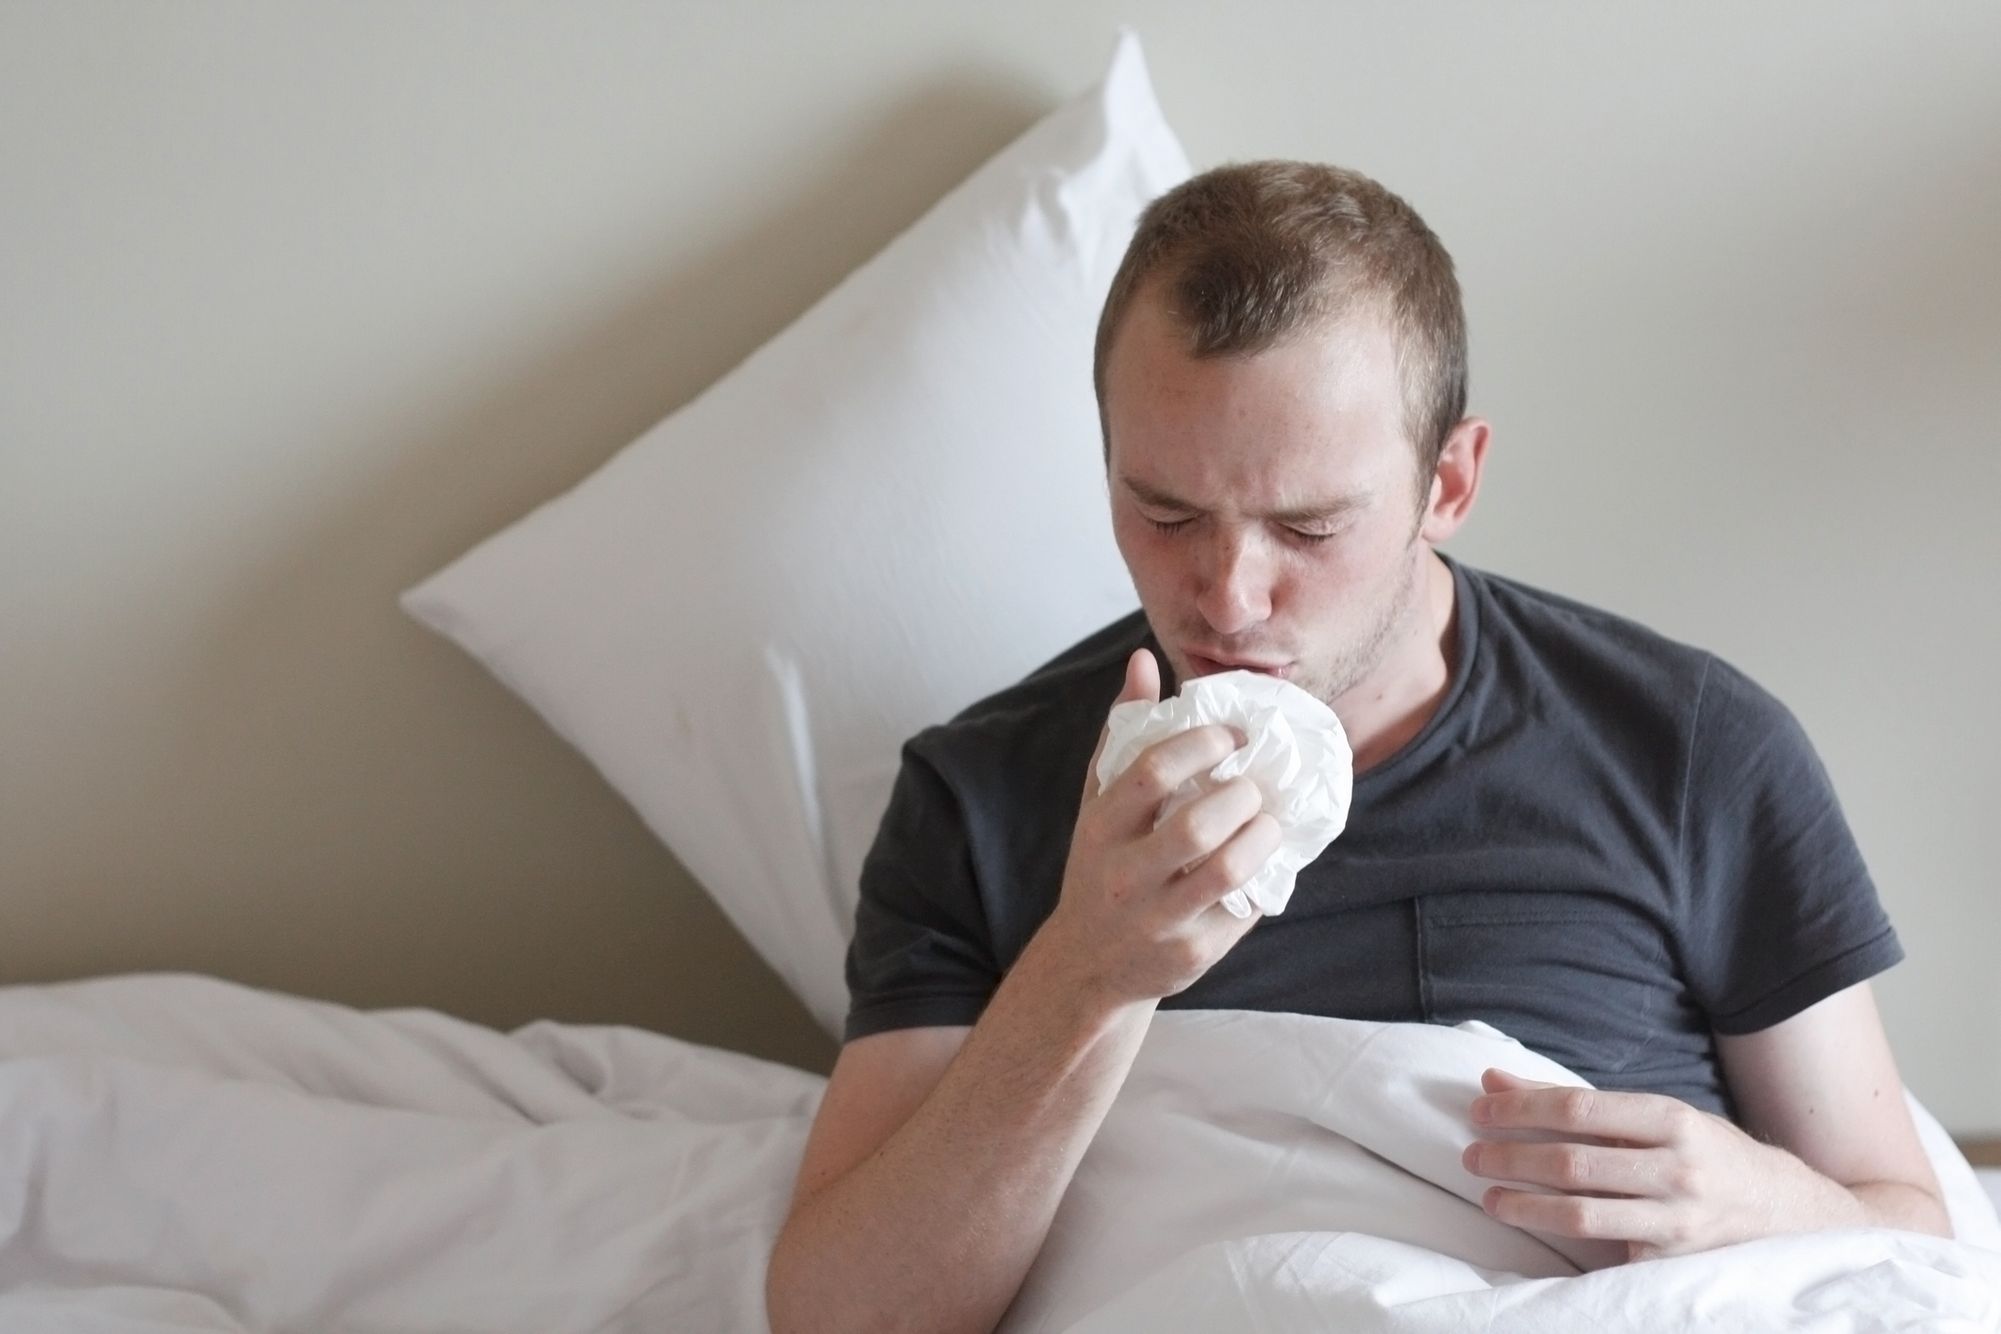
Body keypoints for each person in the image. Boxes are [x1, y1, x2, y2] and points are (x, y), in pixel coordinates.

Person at [764, 159, 1950, 1334]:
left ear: (1449, 480)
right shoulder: (981, 796)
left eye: (1307, 524)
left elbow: (1915, 1238)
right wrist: (1088, 971)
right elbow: (841, 1314)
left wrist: (1762, 1198)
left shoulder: (1688, 750)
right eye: (1165, 511)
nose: (1227, 597)